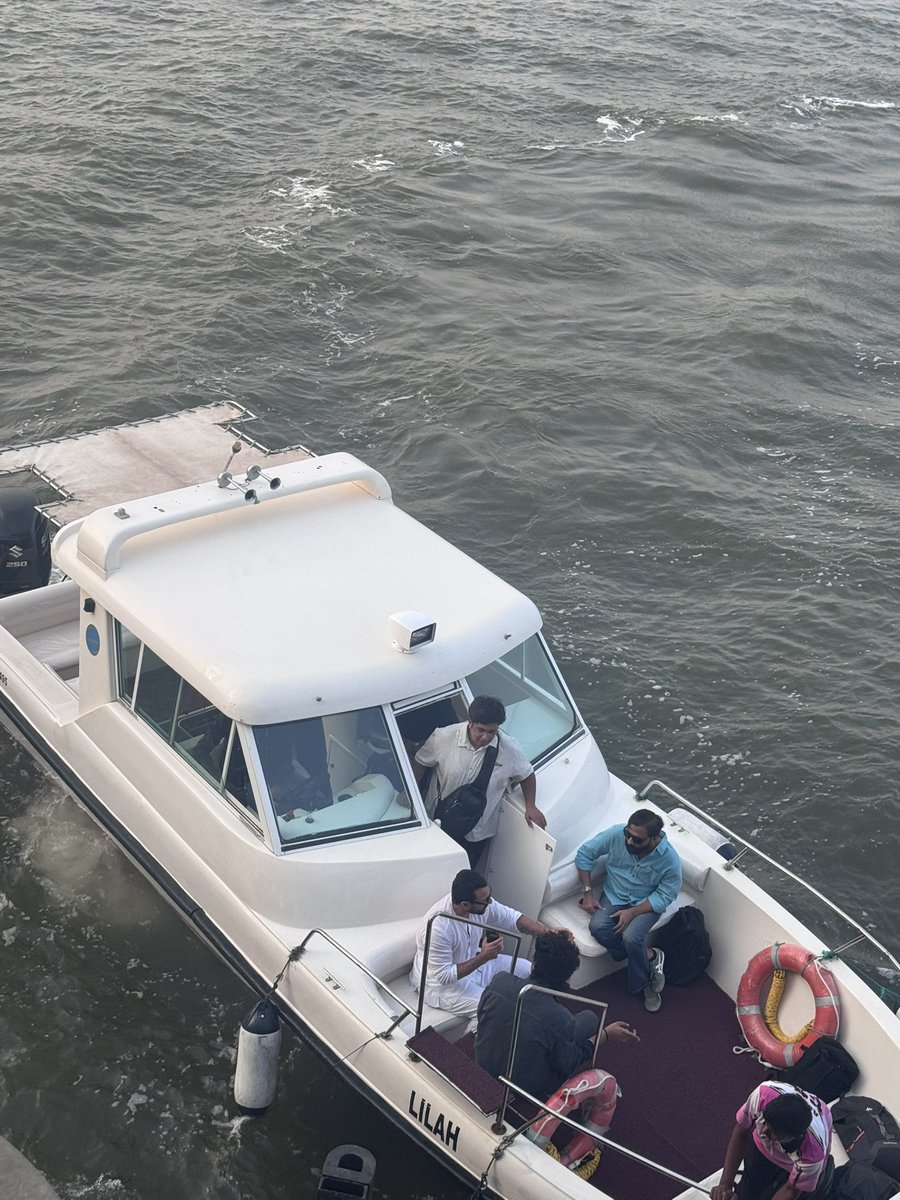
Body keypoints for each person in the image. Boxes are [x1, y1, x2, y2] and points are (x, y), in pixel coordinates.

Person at [475, 932, 640, 1168]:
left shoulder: (500, 980)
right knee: (588, 1018)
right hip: (524, 1087)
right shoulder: (560, 1018)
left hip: (482, 1063)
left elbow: (481, 1017)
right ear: (566, 978)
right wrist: (604, 1035)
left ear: (534, 963)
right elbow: (569, 1063)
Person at [410, 870, 567, 1030]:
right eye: (485, 900)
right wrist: (484, 956)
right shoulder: (438, 928)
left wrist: (548, 933)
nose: (490, 902)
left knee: (528, 969)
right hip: (441, 987)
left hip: (476, 964)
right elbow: (443, 976)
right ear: (466, 904)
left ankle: (538, 1016)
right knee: (495, 1006)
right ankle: (468, 1046)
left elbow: (511, 918)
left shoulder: (480, 905)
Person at [413, 695, 546, 867]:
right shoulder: (443, 737)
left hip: (478, 831)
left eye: (491, 732)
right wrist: (412, 798)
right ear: (470, 722)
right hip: (438, 822)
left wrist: (531, 806)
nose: (485, 737)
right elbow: (420, 762)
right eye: (480, 730)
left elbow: (527, 775)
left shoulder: (510, 749)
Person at [575, 808, 682, 1012]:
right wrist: (587, 892)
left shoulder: (670, 860)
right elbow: (585, 853)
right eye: (628, 835)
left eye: (637, 840)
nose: (630, 842)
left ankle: (642, 985)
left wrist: (632, 912)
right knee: (597, 926)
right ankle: (650, 956)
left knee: (632, 937)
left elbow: (666, 894)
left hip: (646, 903)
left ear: (654, 838)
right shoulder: (616, 834)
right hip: (614, 894)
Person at [711, 1081, 834, 1200]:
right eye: (764, 1122)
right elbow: (741, 1132)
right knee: (748, 1190)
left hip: (795, 1163)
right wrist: (725, 1185)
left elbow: (790, 1190)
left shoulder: (814, 1154)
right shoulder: (761, 1096)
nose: (763, 1131)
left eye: (772, 1132)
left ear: (796, 1137)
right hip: (762, 1149)